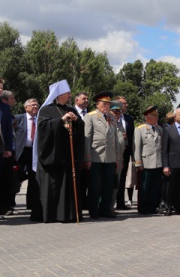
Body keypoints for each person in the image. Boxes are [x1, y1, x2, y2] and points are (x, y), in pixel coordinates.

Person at [32, 80, 84, 223]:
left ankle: (69, 214)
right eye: (67, 93)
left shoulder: (71, 109)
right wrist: (61, 120)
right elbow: (43, 128)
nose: (69, 95)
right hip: (53, 155)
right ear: (59, 94)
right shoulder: (46, 109)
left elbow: (80, 126)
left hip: (68, 155)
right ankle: (51, 215)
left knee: (68, 185)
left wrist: (76, 120)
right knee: (53, 186)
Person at [84, 91, 119, 219]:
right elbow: (87, 137)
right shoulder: (90, 116)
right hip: (95, 156)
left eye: (108, 104)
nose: (106, 106)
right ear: (97, 104)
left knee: (108, 185)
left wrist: (116, 158)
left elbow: (114, 138)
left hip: (109, 157)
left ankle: (105, 209)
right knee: (94, 185)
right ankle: (93, 210)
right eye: (104, 104)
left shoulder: (112, 117)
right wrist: (87, 157)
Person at [134, 106, 163, 215]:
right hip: (145, 163)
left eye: (157, 115)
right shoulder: (140, 129)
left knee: (155, 187)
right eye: (154, 115)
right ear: (147, 116)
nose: (157, 117)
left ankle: (153, 206)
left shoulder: (160, 129)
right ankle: (143, 207)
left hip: (157, 162)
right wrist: (138, 162)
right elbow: (137, 147)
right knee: (144, 187)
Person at [14, 98, 39, 209]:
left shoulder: (39, 119)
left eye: (36, 105)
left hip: (34, 153)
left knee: (34, 179)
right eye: (33, 105)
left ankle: (32, 204)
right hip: (20, 153)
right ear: (26, 107)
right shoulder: (18, 118)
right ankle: (9, 204)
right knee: (16, 178)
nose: (35, 107)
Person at [114, 95, 134, 210]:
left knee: (122, 177)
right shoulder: (110, 117)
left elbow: (132, 137)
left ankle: (120, 202)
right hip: (113, 152)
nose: (125, 105)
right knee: (113, 177)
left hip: (125, 152)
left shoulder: (129, 118)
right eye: (123, 103)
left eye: (125, 103)